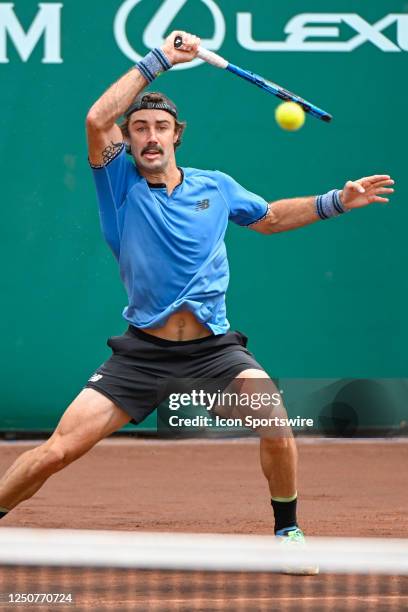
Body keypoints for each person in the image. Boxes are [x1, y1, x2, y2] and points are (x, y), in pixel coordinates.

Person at [0, 31, 394, 555]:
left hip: (214, 349)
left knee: (275, 422)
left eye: (160, 127)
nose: (150, 137)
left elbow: (270, 218)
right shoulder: (118, 183)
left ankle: (287, 531)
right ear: (130, 139)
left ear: (177, 135)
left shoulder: (216, 186)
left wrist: (335, 201)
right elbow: (98, 120)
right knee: (57, 451)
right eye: (139, 128)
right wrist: (159, 60)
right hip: (142, 353)